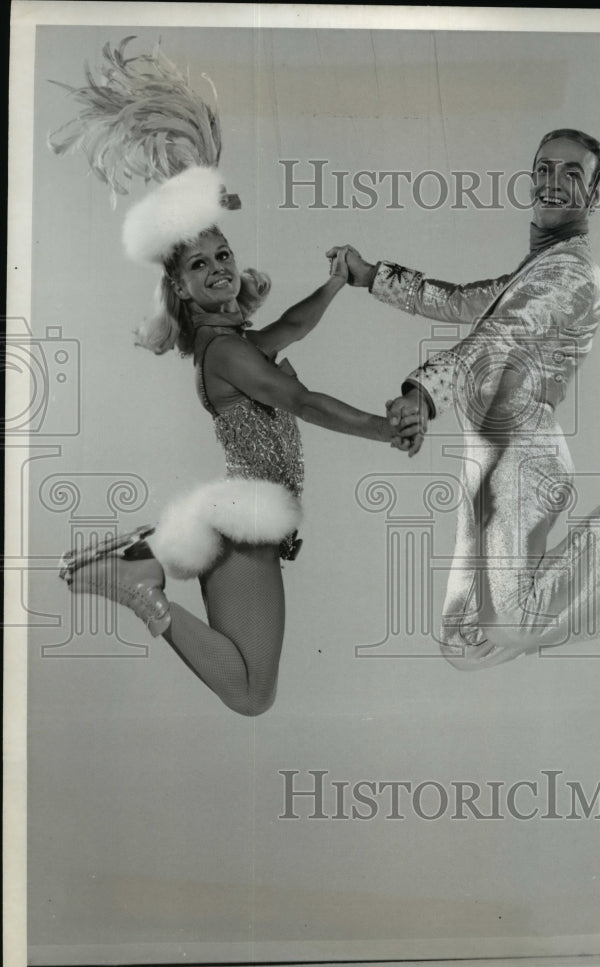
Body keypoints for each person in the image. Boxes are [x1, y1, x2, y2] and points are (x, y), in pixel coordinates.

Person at [53, 40, 394, 716]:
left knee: (253, 690)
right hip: (243, 527)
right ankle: (136, 584)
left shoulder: (230, 342)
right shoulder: (225, 352)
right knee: (249, 693)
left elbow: (287, 332)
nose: (218, 269)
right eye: (199, 266)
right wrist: (384, 430)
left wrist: (333, 286)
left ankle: (141, 569)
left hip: (242, 523)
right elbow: (301, 398)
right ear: (179, 289)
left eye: (223, 254)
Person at [328, 129, 600, 669]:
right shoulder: (537, 269)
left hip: (523, 454)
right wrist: (373, 276)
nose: (553, 183)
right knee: (465, 642)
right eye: (545, 169)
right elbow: (463, 300)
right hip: (488, 460)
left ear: (596, 192)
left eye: (573, 174)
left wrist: (426, 392)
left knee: (510, 624)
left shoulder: (572, 274)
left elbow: (497, 342)